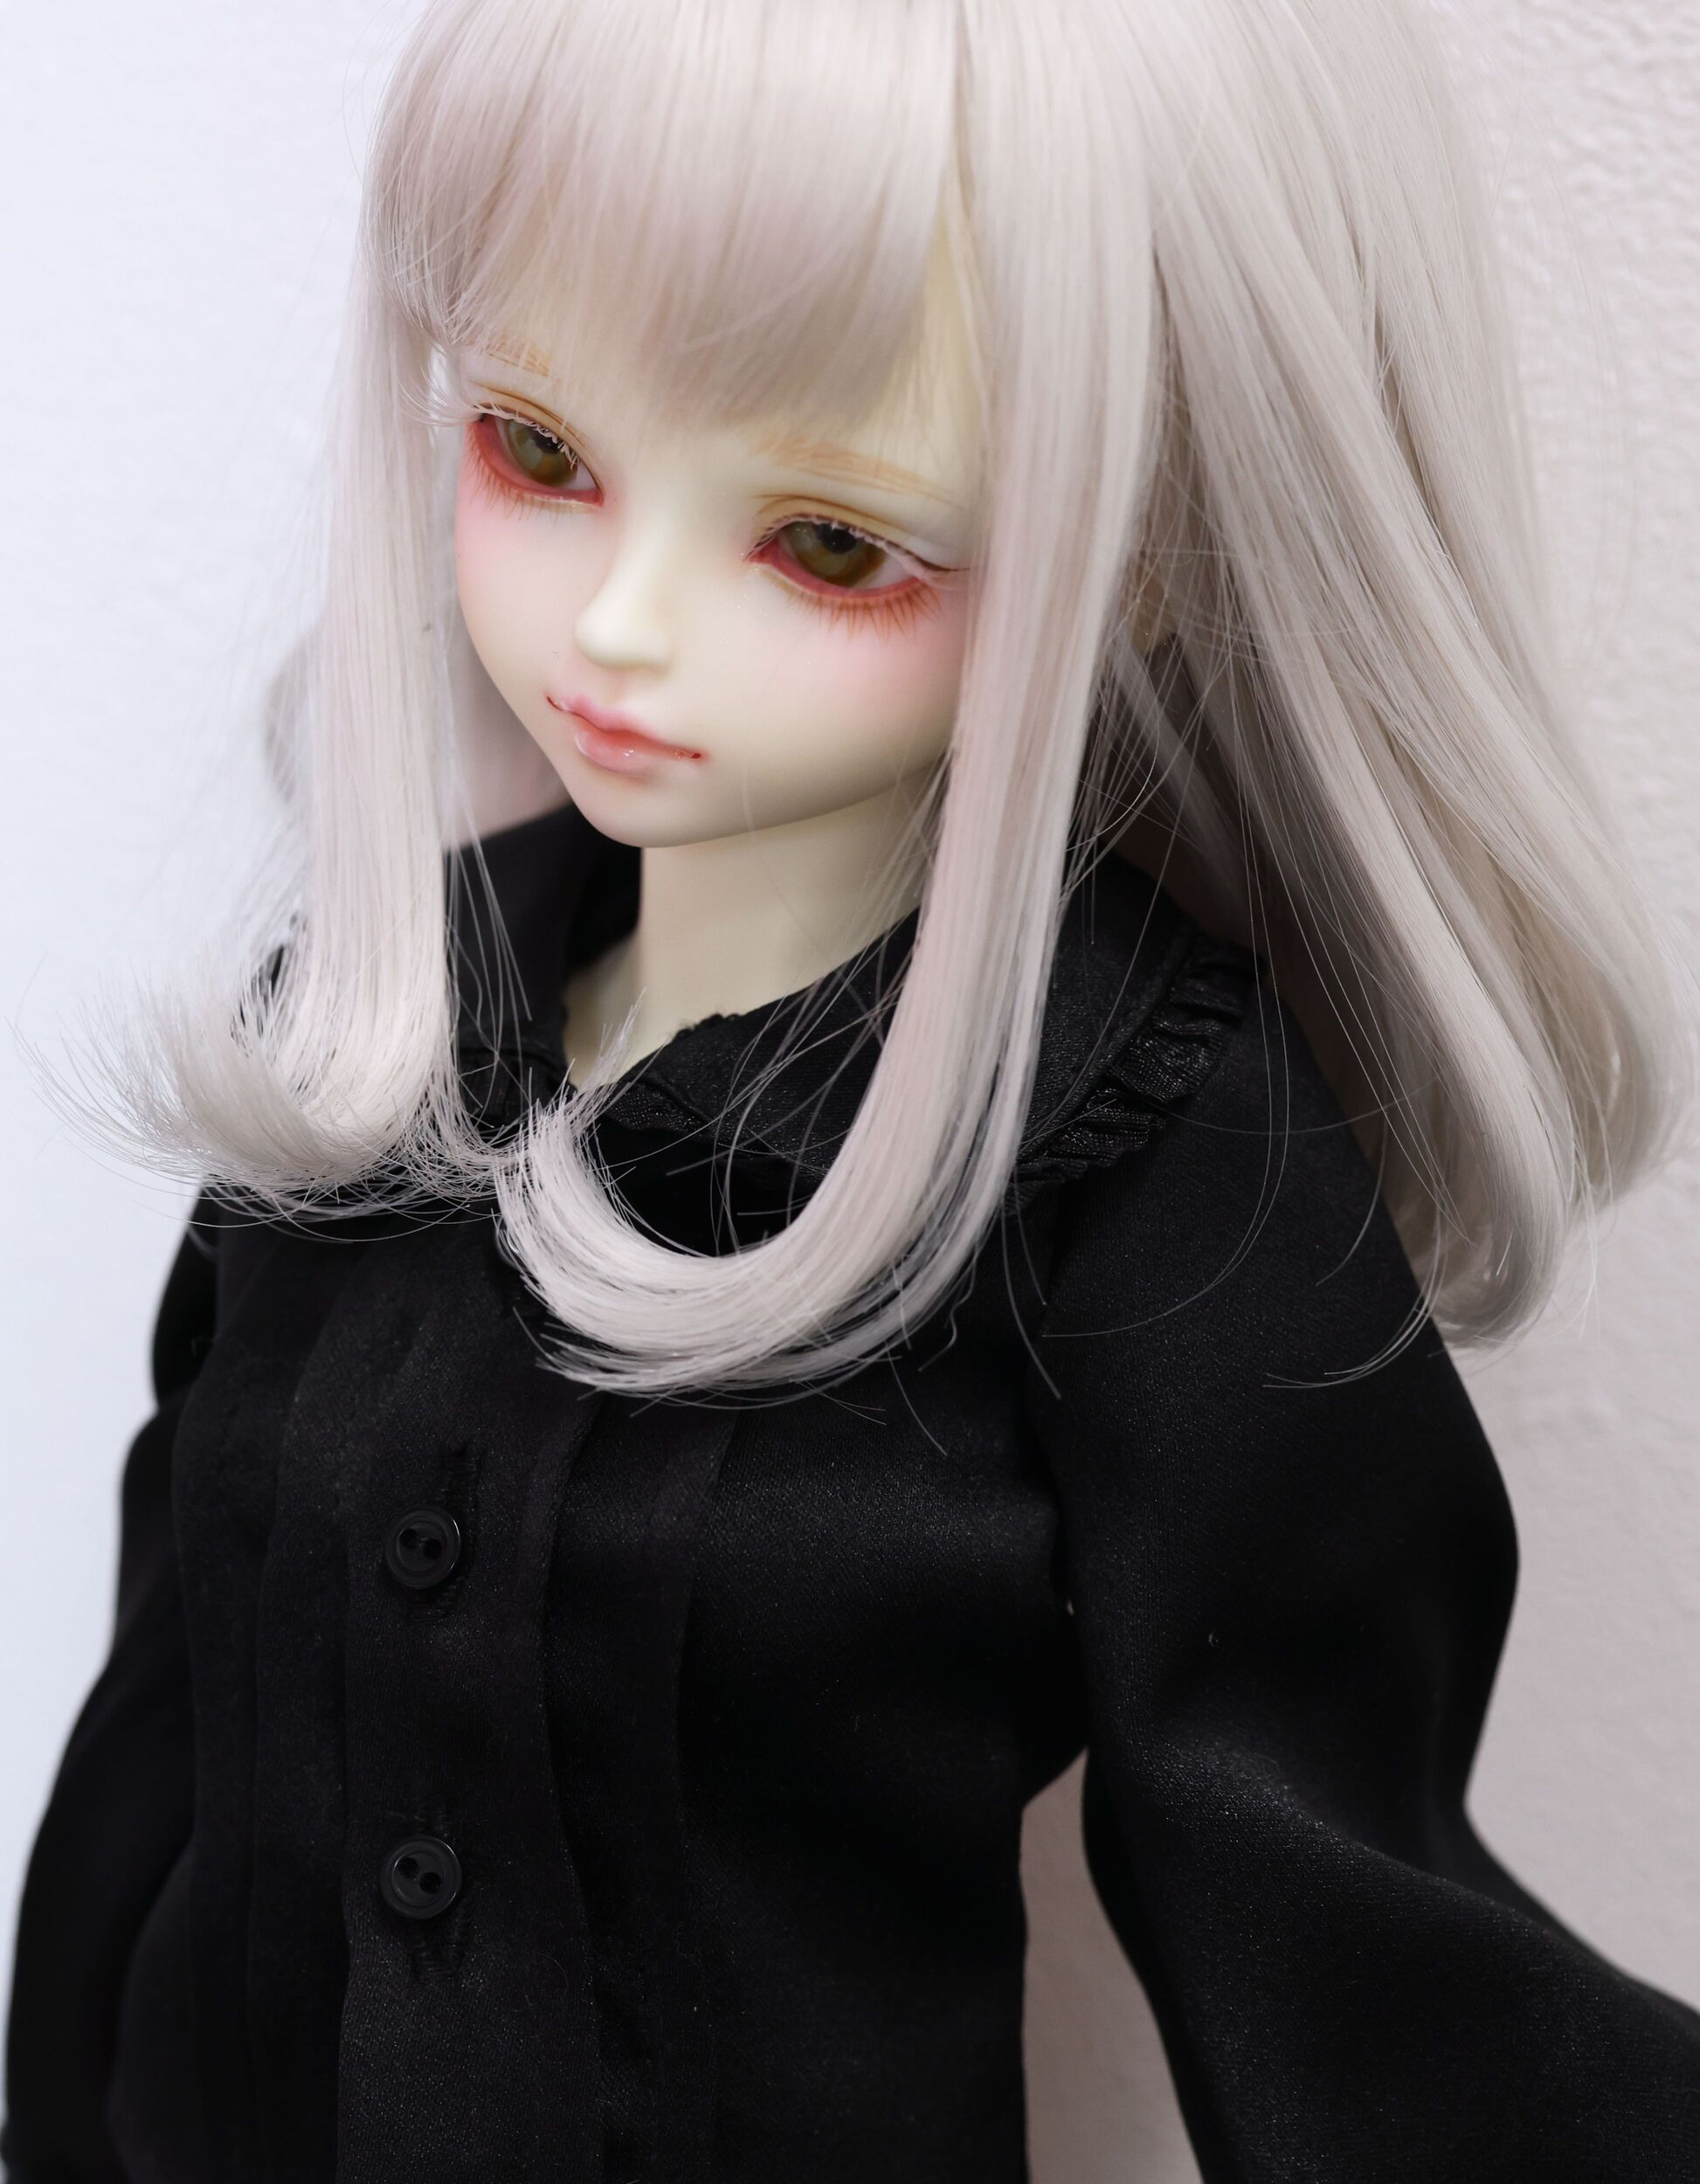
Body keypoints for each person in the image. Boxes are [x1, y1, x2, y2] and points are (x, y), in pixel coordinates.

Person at [5, 0, 1697, 2176]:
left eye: (828, 543)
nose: (619, 626)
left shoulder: (1145, 1146)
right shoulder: (376, 1033)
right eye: (536, 449)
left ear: (1143, 551)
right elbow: (162, 1744)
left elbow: (1348, 1941)